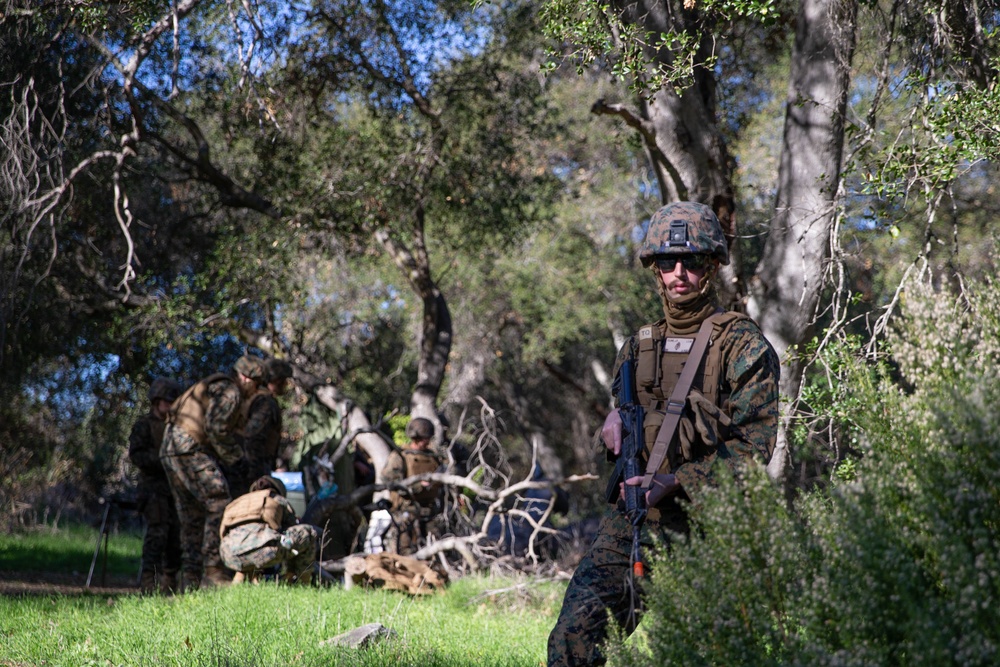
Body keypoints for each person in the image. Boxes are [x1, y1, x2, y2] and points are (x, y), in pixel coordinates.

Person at [547, 201, 780, 667]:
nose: (679, 273)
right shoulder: (637, 346)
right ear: (653, 269)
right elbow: (631, 416)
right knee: (573, 637)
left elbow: (755, 449)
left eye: (692, 261)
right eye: (667, 262)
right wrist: (613, 421)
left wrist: (675, 482)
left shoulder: (742, 344)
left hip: (707, 528)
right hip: (630, 522)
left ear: (712, 266)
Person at [159, 355, 260, 590]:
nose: (254, 392)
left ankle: (191, 578)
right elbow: (216, 428)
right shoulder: (230, 391)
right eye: (256, 385)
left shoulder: (215, 385)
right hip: (187, 447)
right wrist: (236, 458)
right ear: (247, 378)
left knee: (191, 515)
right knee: (218, 501)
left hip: (171, 448)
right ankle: (213, 572)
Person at [127, 377, 183, 594]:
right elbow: (137, 455)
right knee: (157, 536)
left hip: (174, 490)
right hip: (153, 490)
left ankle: (170, 584)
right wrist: (163, 460)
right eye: (166, 402)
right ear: (156, 401)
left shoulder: (176, 428)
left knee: (175, 538)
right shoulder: (144, 425)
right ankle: (148, 584)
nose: (169, 406)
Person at [220, 475, 318, 585]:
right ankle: (301, 582)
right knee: (307, 532)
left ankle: (240, 579)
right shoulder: (275, 498)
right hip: (263, 553)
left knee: (250, 542)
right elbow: (292, 528)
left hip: (228, 556)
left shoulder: (240, 502)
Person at [373, 417, 445, 555]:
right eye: (425, 438)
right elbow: (390, 481)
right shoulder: (400, 456)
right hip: (406, 512)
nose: (428, 442)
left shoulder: (433, 457)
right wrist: (418, 486)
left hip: (430, 512)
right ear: (417, 438)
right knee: (405, 552)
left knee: (436, 550)